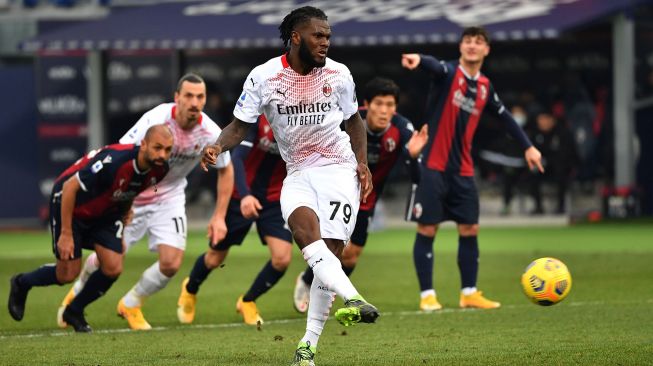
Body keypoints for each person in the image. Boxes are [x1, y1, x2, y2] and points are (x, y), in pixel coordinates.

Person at [200, 6, 378, 365]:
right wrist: (218, 145)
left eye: (328, 36)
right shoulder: (264, 77)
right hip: (297, 172)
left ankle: (306, 348)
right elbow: (238, 126)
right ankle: (355, 299)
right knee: (304, 236)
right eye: (318, 35)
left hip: (339, 169)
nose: (325, 42)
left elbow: (355, 122)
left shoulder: (339, 74)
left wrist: (362, 163)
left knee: (329, 252)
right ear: (296, 37)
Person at [58, 74, 234, 330]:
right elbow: (121, 154)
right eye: (188, 96)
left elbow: (226, 169)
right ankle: (78, 290)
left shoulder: (210, 132)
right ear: (177, 98)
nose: (194, 102)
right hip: (135, 196)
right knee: (106, 258)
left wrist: (218, 216)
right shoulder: (156, 120)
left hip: (170, 196)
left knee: (172, 263)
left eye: (200, 97)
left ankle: (131, 303)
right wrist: (117, 201)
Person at [401, 26, 544, 311]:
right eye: (468, 41)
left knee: (470, 228)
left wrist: (528, 146)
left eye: (478, 42)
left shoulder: (484, 87)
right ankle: (427, 295)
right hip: (431, 165)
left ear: (486, 50)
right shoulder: (449, 72)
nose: (472, 45)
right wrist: (419, 58)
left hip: (463, 170)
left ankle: (469, 293)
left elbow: (506, 119)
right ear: (460, 46)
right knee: (427, 229)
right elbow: (433, 66)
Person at [8, 125, 173, 332]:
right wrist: (66, 233)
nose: (162, 154)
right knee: (67, 274)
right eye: (158, 148)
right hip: (71, 205)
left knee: (113, 266)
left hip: (105, 213)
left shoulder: (161, 169)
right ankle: (22, 282)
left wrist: (125, 214)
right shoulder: (114, 161)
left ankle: (74, 310)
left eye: (167, 150)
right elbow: (69, 187)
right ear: (144, 144)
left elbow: (133, 188)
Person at [292, 77, 428, 313]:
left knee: (351, 256)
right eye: (379, 104)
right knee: (330, 244)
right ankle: (310, 284)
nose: (384, 111)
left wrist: (414, 157)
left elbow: (417, 178)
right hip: (335, 190)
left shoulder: (402, 130)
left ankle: (316, 283)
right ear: (366, 104)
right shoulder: (348, 119)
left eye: (390, 105)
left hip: (366, 201)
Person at [177, 114, 292, 326]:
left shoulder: (304, 121)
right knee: (214, 259)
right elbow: (237, 158)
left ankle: (248, 301)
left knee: (282, 259)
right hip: (241, 194)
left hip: (275, 198)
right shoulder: (260, 119)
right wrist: (246, 194)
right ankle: (190, 289)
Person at [527, 109, 577, 214]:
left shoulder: (562, 133)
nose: (543, 122)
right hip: (542, 166)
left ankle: (560, 206)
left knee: (561, 174)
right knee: (532, 173)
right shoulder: (534, 133)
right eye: (540, 119)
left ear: (552, 120)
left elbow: (567, 154)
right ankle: (538, 206)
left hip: (560, 166)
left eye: (545, 119)